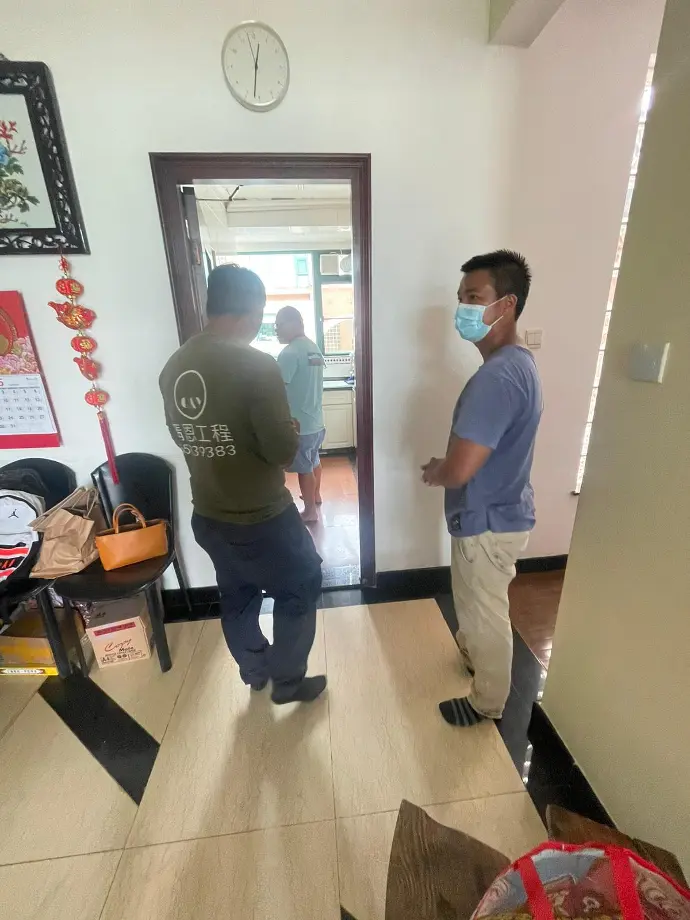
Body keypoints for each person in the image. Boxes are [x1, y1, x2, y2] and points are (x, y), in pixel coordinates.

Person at [159, 264, 326, 704]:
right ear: (254, 311)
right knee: (302, 581)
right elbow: (282, 452)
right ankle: (287, 681)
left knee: (237, 593)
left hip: (209, 514)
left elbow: (181, 435)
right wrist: (289, 431)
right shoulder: (256, 364)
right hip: (263, 516)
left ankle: (254, 670)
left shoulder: (174, 366)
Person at [421, 250, 542, 728]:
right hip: (503, 510)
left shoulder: (496, 377)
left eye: (474, 297)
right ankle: (474, 658)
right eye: (461, 298)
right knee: (476, 606)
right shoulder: (519, 364)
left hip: (487, 521)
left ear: (507, 304)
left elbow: (461, 469)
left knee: (484, 611)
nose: (463, 308)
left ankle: (487, 702)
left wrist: (438, 470)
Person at [275, 306, 326, 523]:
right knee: (313, 461)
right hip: (316, 422)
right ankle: (316, 496)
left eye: (279, 325)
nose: (277, 330)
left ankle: (310, 511)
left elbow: (276, 389)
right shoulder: (313, 348)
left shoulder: (289, 353)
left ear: (296, 323)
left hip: (300, 424)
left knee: (304, 468)